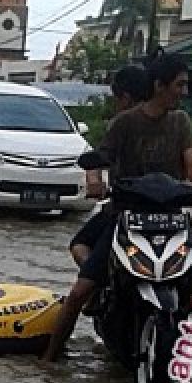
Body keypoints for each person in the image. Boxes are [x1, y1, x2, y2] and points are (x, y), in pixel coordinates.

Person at [42, 53, 192, 362]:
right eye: (179, 85)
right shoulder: (124, 123)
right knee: (80, 293)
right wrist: (95, 182)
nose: (184, 92)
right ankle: (49, 360)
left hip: (172, 220)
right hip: (126, 217)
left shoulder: (181, 122)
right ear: (159, 85)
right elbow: (98, 160)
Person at [69, 64, 153, 267]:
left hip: (126, 209)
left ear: (124, 98)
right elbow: (99, 158)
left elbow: (99, 157)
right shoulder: (175, 121)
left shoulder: (120, 122)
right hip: (165, 212)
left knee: (79, 246)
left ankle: (98, 282)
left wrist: (95, 183)